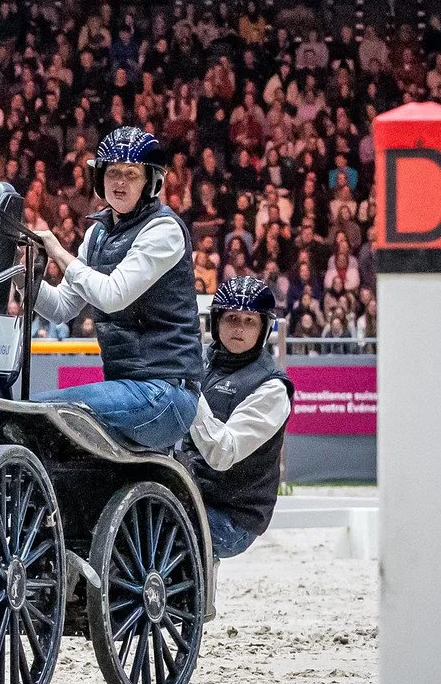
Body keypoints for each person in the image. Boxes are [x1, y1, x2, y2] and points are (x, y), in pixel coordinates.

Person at [30, 127, 202, 449]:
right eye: (112, 173)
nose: (120, 182)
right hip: (128, 388)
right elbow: (60, 309)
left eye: (131, 174)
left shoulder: (164, 230)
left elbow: (112, 296)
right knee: (38, 419)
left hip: (165, 393)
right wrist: (22, 276)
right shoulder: (96, 235)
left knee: (38, 413)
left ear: (151, 182)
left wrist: (59, 253)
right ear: (100, 178)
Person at [183, 276, 293, 559]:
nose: (239, 329)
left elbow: (223, 452)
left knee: (155, 522)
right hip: (188, 492)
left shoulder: (272, 388)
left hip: (231, 517)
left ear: (263, 329)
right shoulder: (199, 361)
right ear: (217, 321)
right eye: (231, 318)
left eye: (249, 321)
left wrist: (189, 389)